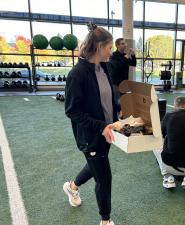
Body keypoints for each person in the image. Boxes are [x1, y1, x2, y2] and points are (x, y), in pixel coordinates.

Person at [63, 23, 118, 225]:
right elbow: (72, 111)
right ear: (99, 46)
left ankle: (72, 187)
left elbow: (107, 96)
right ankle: (105, 220)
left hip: (107, 131)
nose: (111, 52)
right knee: (104, 178)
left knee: (95, 164)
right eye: (109, 47)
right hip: (91, 136)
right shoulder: (77, 74)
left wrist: (117, 110)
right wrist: (100, 126)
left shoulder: (104, 67)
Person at [109, 38, 137, 103]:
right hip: (116, 83)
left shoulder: (125, 55)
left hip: (124, 83)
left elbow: (133, 64)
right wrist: (125, 59)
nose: (125, 45)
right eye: (123, 44)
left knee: (124, 102)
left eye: (125, 43)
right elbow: (116, 67)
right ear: (117, 46)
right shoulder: (113, 55)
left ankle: (123, 113)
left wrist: (133, 55)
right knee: (117, 102)